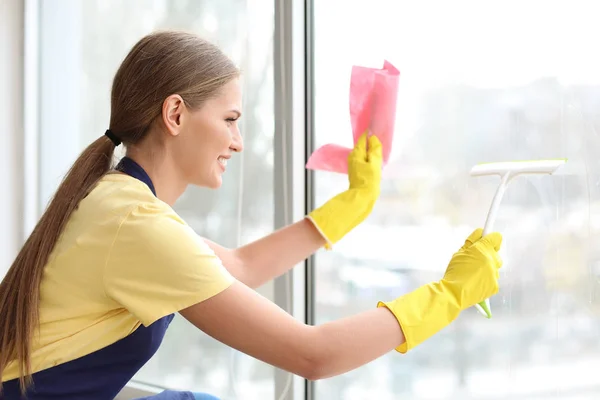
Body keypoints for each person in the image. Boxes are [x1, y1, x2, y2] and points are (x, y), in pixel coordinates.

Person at [0, 30, 503, 400]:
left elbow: (238, 268)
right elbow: (313, 354)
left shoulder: (119, 201)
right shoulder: (136, 224)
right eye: (230, 120)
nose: (238, 142)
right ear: (175, 115)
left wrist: (352, 205)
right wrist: (448, 294)